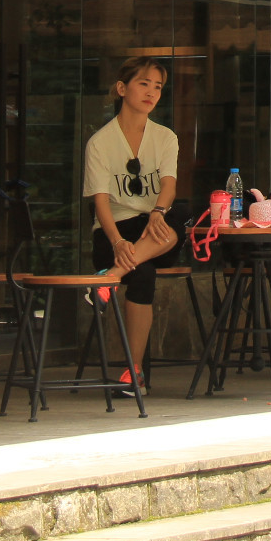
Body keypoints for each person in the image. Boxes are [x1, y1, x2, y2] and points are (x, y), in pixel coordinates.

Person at [82, 57, 182, 386]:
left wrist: (158, 211)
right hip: (114, 232)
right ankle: (133, 372)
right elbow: (100, 202)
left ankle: (109, 278)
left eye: (158, 87)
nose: (152, 92)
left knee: (173, 222)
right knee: (143, 274)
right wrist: (117, 242)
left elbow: (169, 185)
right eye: (144, 84)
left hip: (153, 227)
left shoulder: (165, 137)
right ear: (122, 89)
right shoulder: (100, 142)